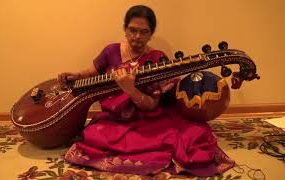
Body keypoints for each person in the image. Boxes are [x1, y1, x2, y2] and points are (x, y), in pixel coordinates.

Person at [58, 5, 234, 177]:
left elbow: (152, 105)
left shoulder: (157, 59)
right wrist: (76, 75)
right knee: (91, 136)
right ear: (124, 29)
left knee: (182, 137)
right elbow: (91, 72)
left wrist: (130, 90)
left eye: (144, 32)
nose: (137, 37)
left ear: (151, 34)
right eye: (132, 30)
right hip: (115, 116)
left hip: (145, 116)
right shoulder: (111, 50)